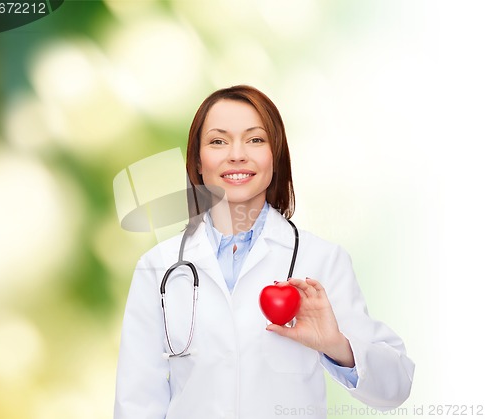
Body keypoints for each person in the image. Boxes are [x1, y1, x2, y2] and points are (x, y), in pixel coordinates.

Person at [114, 85, 415, 419]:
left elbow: (397, 385)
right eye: (218, 141)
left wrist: (337, 345)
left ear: (276, 155)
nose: (237, 154)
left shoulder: (322, 260)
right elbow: (137, 402)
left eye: (255, 140)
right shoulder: (158, 268)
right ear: (198, 162)